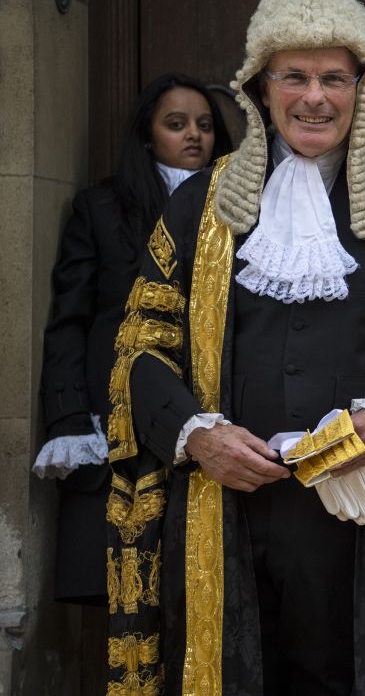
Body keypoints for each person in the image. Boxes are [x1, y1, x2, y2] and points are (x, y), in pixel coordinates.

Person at [103, 0, 365, 694]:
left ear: (362, 88)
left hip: (357, 518)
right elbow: (140, 345)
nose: (314, 97)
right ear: (260, 89)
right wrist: (196, 435)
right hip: (224, 507)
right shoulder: (199, 206)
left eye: (334, 77)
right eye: (293, 76)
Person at [32, 72, 232, 605]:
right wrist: (70, 419)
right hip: (116, 417)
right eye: (176, 124)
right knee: (125, 593)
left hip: (211, 417)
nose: (194, 135)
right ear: (148, 135)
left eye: (205, 125)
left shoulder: (241, 210)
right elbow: (70, 322)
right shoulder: (100, 210)